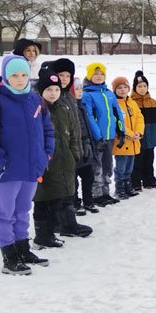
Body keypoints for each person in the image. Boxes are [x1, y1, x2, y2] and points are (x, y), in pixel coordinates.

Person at [0, 54, 54, 274]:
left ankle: (22, 248)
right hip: (7, 171)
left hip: (31, 169)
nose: (20, 80)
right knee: (5, 213)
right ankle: (9, 256)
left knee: (23, 211)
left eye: (24, 75)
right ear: (5, 77)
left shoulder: (36, 100)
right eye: (14, 75)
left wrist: (46, 154)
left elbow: (48, 130)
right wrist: (0, 159)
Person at [33, 64, 92, 247]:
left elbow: (72, 133)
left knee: (60, 196)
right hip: (45, 162)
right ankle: (43, 235)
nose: (53, 93)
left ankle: (56, 229)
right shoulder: (37, 109)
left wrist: (74, 153)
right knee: (43, 199)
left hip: (64, 159)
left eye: (56, 89)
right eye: (49, 89)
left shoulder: (62, 108)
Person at [82, 62, 124, 206]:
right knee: (97, 167)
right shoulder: (87, 95)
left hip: (110, 136)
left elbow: (117, 113)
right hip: (97, 139)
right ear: (89, 75)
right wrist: (98, 137)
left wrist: (121, 130)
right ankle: (96, 194)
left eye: (101, 74)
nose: (99, 76)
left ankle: (105, 192)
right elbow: (89, 117)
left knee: (107, 165)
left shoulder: (109, 93)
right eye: (95, 74)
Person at [130, 70, 156, 190]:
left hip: (151, 138)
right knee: (137, 162)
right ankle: (135, 183)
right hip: (137, 139)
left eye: (145, 86)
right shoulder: (131, 103)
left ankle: (149, 180)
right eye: (139, 86)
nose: (142, 88)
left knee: (149, 161)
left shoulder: (154, 103)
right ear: (134, 88)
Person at [111, 75, 144, 199]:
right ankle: (119, 188)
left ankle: (127, 185)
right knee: (120, 167)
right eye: (119, 88)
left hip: (134, 142)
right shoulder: (114, 104)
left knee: (129, 167)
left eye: (125, 87)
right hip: (122, 141)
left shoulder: (132, 103)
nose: (123, 90)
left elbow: (140, 118)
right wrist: (130, 134)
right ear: (114, 90)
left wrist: (138, 132)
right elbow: (117, 123)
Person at [71, 77, 99, 214]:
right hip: (75, 146)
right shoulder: (70, 106)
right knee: (74, 178)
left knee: (88, 176)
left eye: (81, 88)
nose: (79, 91)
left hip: (86, 144)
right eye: (76, 89)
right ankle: (75, 202)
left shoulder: (81, 105)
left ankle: (88, 200)